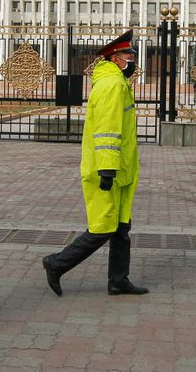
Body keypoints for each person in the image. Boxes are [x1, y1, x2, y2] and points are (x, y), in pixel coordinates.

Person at [42, 29, 149, 296]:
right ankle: (56, 263)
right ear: (115, 58)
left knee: (122, 227)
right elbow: (107, 130)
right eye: (128, 55)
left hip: (120, 168)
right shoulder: (112, 86)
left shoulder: (117, 83)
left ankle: (118, 280)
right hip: (108, 169)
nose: (132, 60)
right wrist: (107, 168)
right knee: (103, 227)